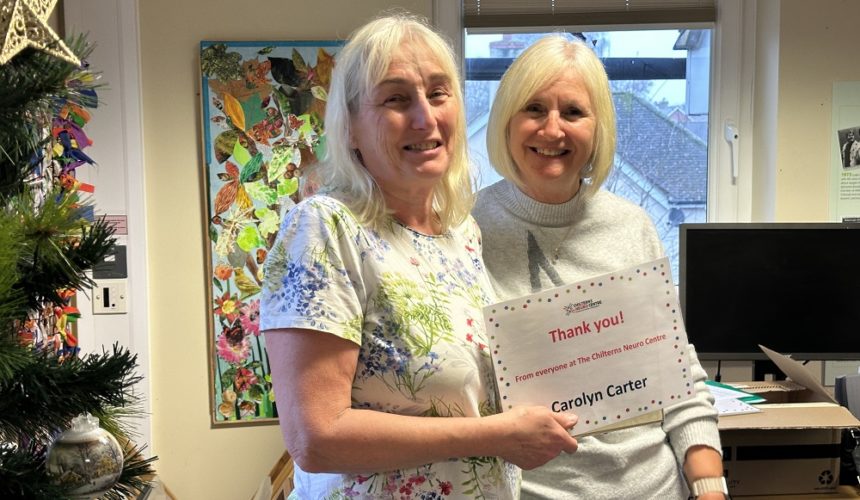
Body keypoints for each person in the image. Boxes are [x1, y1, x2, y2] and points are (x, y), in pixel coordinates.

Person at [260, 14, 579, 499]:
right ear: (350, 129)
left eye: (437, 93)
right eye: (395, 98)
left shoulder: (460, 234)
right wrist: (498, 435)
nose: (425, 118)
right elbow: (316, 438)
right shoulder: (326, 229)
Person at [473, 35, 726, 500]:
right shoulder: (462, 232)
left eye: (572, 112)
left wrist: (711, 488)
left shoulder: (633, 227)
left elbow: (676, 376)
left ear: (598, 129)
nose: (552, 130)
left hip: (653, 489)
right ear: (506, 121)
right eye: (534, 109)